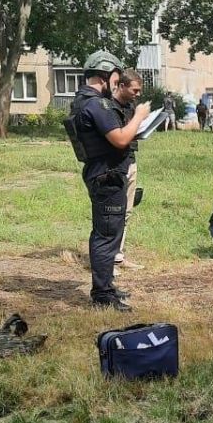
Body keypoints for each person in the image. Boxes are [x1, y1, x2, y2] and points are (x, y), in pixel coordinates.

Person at [72, 51, 150, 310]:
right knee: (106, 235)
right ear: (105, 75)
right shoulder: (95, 104)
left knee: (110, 232)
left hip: (106, 174)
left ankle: (106, 287)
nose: (117, 84)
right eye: (116, 78)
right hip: (107, 176)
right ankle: (102, 296)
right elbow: (119, 139)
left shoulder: (87, 102)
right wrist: (139, 116)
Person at [112, 70, 145, 272]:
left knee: (126, 212)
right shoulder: (108, 107)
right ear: (122, 86)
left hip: (130, 161)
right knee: (112, 214)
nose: (138, 94)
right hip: (114, 166)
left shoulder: (130, 107)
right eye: (135, 90)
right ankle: (106, 261)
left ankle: (118, 256)